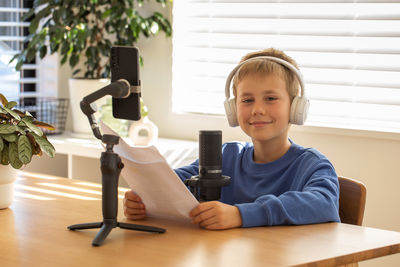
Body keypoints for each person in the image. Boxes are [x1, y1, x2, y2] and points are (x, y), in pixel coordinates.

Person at [123, 48, 340, 230]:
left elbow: (324, 203)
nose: (257, 109)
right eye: (247, 100)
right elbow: (172, 183)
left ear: (296, 107)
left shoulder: (312, 165)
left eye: (271, 98)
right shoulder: (227, 156)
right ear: (233, 110)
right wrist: (144, 198)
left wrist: (240, 215)